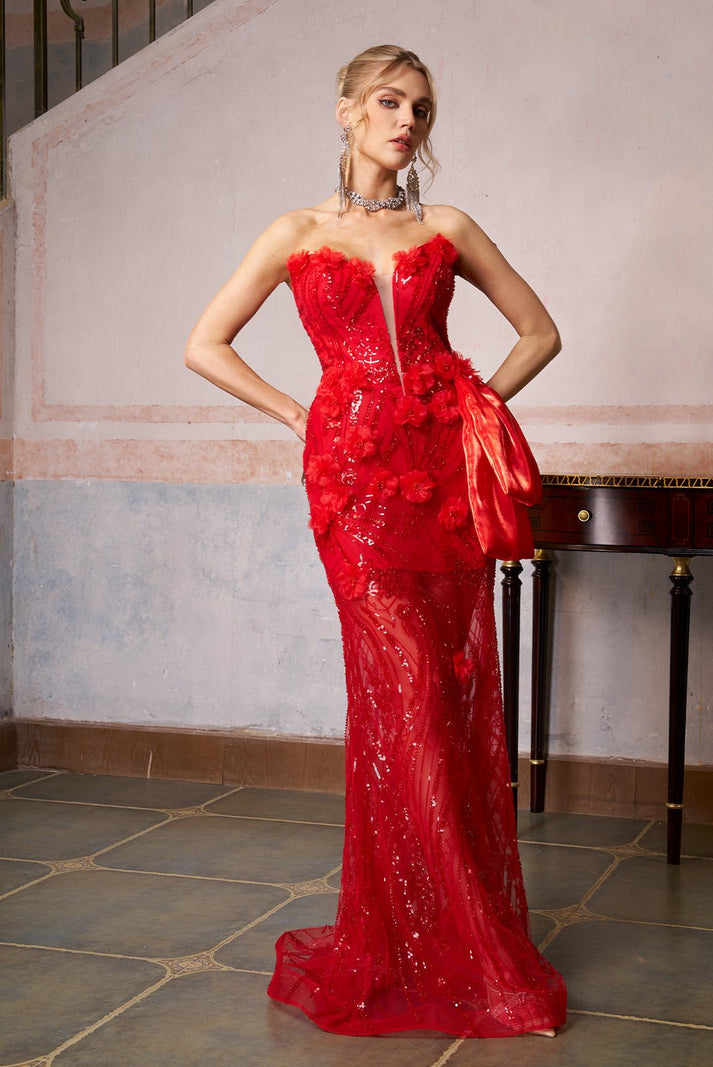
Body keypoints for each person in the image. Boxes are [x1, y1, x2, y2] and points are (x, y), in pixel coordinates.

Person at [185, 44, 566, 1038]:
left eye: (422, 108)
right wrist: (299, 413)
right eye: (390, 101)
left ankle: (443, 925)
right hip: (353, 493)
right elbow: (203, 343)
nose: (408, 120)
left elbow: (537, 331)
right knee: (400, 693)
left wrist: (471, 411)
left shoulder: (445, 225)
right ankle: (444, 940)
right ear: (348, 111)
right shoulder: (295, 229)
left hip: (443, 487)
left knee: (445, 687)